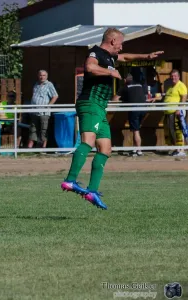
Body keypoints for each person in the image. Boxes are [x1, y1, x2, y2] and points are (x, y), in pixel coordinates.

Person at [61, 28, 163, 210]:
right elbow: (90, 67)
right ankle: (70, 180)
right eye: (121, 43)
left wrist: (147, 56)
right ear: (113, 41)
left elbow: (126, 57)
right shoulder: (96, 52)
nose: (121, 47)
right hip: (90, 103)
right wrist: (111, 73)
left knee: (106, 149)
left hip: (100, 107)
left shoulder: (110, 57)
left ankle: (91, 191)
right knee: (88, 140)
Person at [112, 73, 152, 156]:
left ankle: (139, 150)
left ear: (125, 80)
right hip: (144, 109)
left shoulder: (124, 87)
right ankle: (135, 149)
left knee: (136, 131)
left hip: (134, 109)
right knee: (136, 129)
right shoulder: (140, 85)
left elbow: (114, 100)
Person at [28, 70, 58, 149]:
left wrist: (48, 106)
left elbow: (55, 96)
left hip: (44, 112)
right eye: (41, 75)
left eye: (44, 75)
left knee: (44, 129)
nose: (42, 77)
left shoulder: (49, 85)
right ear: (38, 76)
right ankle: (29, 148)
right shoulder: (36, 84)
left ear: (46, 76)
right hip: (34, 111)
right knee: (33, 129)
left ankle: (43, 148)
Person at [161, 69, 187, 157]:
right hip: (168, 113)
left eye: (175, 76)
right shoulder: (170, 86)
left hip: (176, 112)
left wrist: (179, 109)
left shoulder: (181, 85)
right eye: (172, 76)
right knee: (170, 131)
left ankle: (180, 150)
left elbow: (184, 97)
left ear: (179, 77)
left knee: (178, 131)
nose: (173, 78)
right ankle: (176, 149)